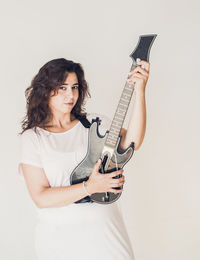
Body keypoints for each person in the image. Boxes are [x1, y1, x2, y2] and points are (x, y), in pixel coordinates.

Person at [18, 57, 149, 260]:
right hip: (59, 243)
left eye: (75, 87)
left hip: (107, 237)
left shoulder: (94, 124)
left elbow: (133, 142)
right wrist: (90, 187)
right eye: (62, 87)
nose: (70, 95)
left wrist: (140, 91)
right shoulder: (34, 138)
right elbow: (41, 197)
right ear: (45, 91)